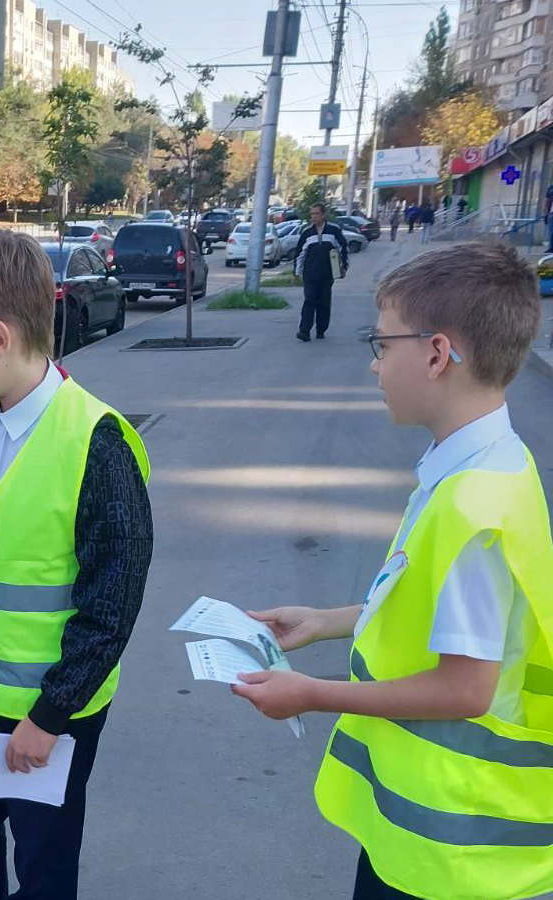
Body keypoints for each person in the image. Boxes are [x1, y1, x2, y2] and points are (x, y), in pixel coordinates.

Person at [233, 243, 553, 900]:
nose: (375, 365)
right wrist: (325, 622)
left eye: (382, 345)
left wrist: (312, 693)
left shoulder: (472, 502)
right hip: (437, 834)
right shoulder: (483, 468)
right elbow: (439, 610)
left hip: (451, 852)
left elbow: (465, 689)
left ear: (437, 354)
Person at [0, 229, 155, 900]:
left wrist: (50, 718)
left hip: (52, 711)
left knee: (43, 871)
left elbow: (112, 604)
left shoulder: (97, 443)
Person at [293, 202, 348, 343]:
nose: (313, 217)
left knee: (324, 303)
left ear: (323, 215)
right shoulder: (307, 233)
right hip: (310, 274)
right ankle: (304, 331)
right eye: (312, 214)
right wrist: (296, 272)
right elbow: (299, 254)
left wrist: (344, 267)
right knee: (309, 300)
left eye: (316, 213)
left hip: (327, 274)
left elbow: (342, 249)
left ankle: (321, 329)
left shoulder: (333, 231)